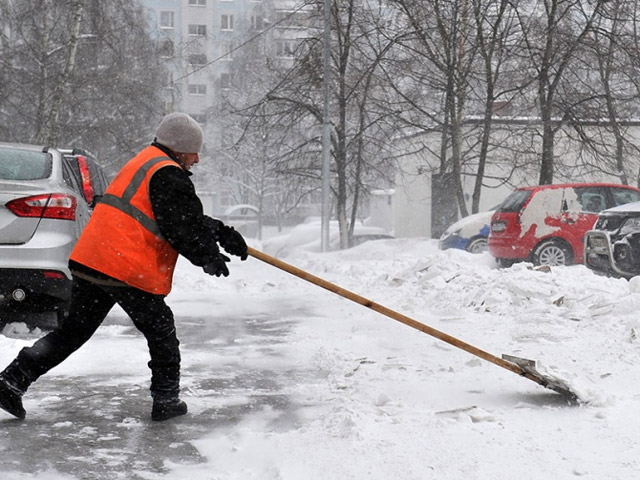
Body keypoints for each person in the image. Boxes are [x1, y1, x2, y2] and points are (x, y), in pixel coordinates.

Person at [0, 112, 248, 421]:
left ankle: (13, 379)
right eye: (193, 150)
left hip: (94, 260)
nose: (196, 158)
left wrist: (222, 234)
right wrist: (206, 256)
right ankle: (166, 400)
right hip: (123, 266)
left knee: (73, 332)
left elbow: (177, 216)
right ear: (179, 146)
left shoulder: (147, 163)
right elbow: (180, 225)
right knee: (161, 331)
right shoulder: (168, 174)